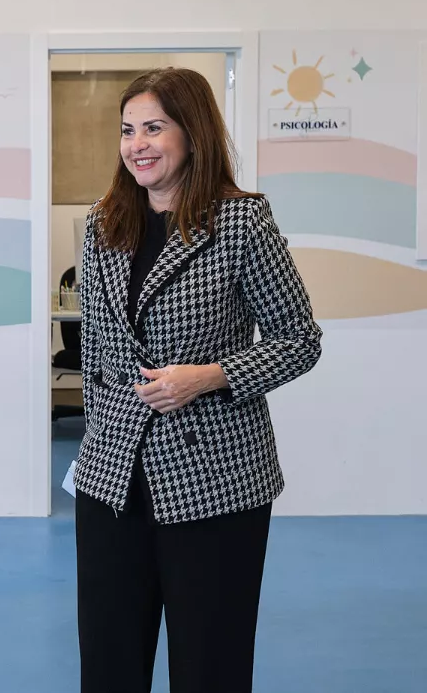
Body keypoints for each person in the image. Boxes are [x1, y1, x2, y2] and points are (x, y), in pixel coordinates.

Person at [74, 66, 322, 693]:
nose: (138, 145)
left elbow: (299, 341)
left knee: (210, 665)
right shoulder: (102, 224)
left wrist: (211, 376)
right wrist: (97, 448)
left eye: (154, 127)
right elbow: (99, 356)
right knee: (108, 663)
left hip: (216, 482)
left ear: (193, 133)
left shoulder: (242, 222)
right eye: (128, 130)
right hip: (113, 480)